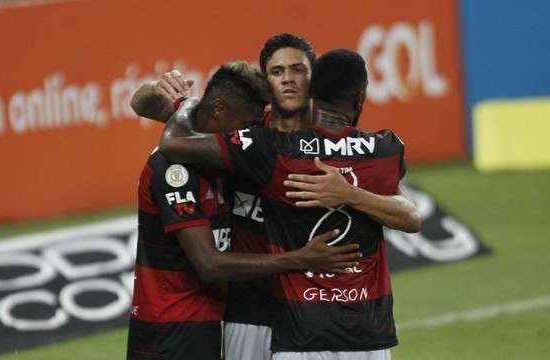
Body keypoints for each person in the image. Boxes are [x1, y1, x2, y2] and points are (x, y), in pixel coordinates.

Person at [131, 34, 421, 360]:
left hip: (315, 312)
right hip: (252, 312)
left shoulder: (333, 143)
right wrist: (159, 90)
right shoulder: (246, 124)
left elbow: (408, 213)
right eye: (277, 72)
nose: (288, 80)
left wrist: (351, 194)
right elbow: (144, 106)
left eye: (298, 70)